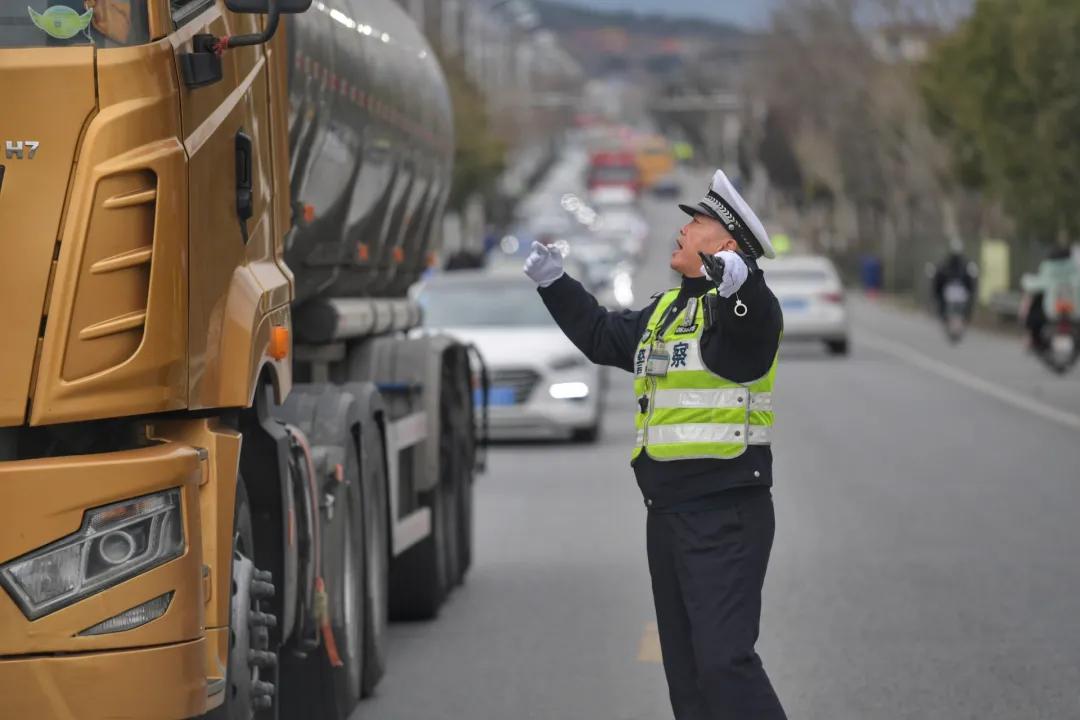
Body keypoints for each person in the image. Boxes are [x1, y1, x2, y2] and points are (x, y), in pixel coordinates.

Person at [524, 169, 787, 719]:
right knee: (688, 679)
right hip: (666, 517)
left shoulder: (740, 312)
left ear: (728, 245)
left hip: (726, 515)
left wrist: (744, 286)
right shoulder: (666, 312)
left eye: (699, 222)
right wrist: (556, 284)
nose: (684, 229)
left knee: (724, 664)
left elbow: (752, 330)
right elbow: (600, 335)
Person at [1021, 245, 1080, 350]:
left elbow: (1035, 285)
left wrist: (1026, 280)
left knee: (1035, 302)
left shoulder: (1049, 269)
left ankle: (1035, 341)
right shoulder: (1074, 270)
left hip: (1050, 312)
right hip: (1074, 312)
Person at [932, 245, 979, 321]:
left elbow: (970, 281)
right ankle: (943, 314)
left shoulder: (965, 264)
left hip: (960, 291)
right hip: (950, 290)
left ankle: (965, 315)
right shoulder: (947, 264)